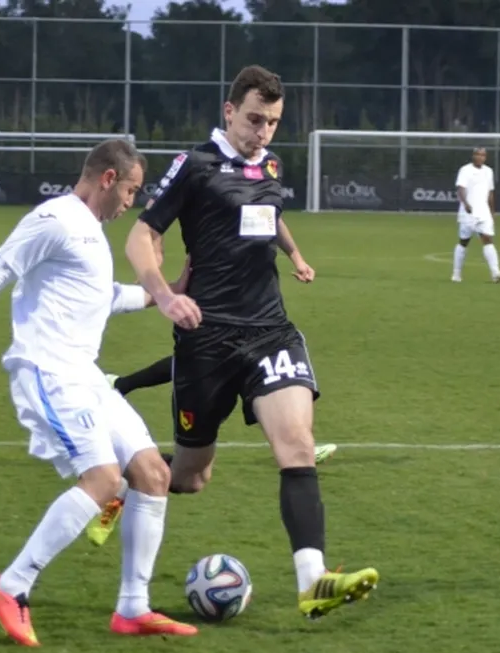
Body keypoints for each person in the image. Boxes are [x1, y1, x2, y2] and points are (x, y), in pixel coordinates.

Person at [123, 64, 379, 620]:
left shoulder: (271, 165)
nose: (263, 132)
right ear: (230, 111)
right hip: (206, 339)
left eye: (273, 123)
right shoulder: (195, 166)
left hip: (270, 331)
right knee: (190, 477)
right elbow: (141, 235)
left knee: (297, 445)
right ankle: (117, 483)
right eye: (255, 119)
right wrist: (163, 295)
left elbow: (270, 214)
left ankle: (313, 581)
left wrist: (295, 254)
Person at [0, 139, 198, 646]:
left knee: (153, 474)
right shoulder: (55, 219)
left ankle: (133, 608)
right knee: (103, 479)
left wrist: (166, 293)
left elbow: (100, 297)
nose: (131, 203)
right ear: (108, 178)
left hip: (85, 376)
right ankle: (11, 586)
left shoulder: (89, 231)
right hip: (48, 372)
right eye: (131, 190)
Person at [84, 357, 339, 546]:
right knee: (191, 479)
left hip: (259, 335)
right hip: (209, 356)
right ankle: (124, 485)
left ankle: (297, 450)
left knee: (279, 384)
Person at [451, 147, 500, 283]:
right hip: (468, 212)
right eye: (478, 154)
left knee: (488, 240)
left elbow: (490, 192)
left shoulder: (488, 171)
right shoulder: (465, 170)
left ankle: (495, 272)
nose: (480, 157)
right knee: (464, 241)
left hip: (483, 212)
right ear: (473, 156)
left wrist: (492, 211)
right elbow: (460, 188)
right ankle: (456, 273)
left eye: (483, 155)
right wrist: (465, 203)